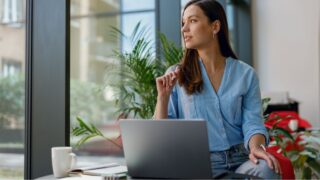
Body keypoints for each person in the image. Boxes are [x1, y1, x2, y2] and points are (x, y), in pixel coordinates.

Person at [154, 0, 281, 179]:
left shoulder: (246, 74)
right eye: (183, 23)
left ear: (215, 26)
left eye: (193, 21)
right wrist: (163, 98)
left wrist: (256, 148)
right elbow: (162, 138)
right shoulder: (176, 75)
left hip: (241, 160)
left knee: (267, 170)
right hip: (198, 163)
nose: (184, 29)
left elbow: (253, 123)